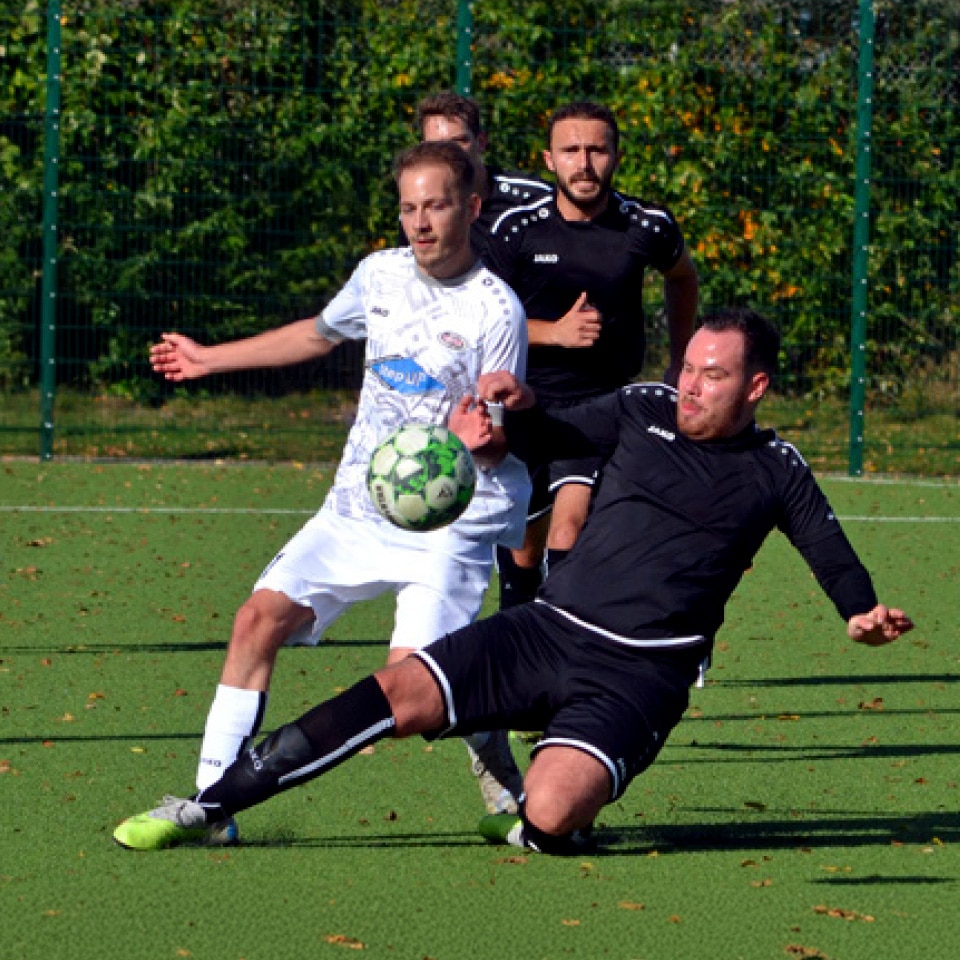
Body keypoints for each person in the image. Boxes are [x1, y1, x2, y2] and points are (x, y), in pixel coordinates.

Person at [114, 307, 913, 855]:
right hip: (545, 631)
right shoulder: (643, 408)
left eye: (712, 375)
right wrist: (501, 419)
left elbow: (829, 549)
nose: (692, 385)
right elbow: (554, 426)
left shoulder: (775, 469)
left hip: (640, 674)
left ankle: (541, 817)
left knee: (554, 815)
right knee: (394, 693)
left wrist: (859, 610)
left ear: (756, 387)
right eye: (689, 368)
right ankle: (206, 806)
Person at [143, 140, 533, 840]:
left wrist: (480, 436)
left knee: (412, 695)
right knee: (256, 618)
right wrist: (209, 359)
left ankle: (486, 729)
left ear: (471, 208)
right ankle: (211, 804)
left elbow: (496, 432)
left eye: (436, 205)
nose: (420, 222)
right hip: (356, 507)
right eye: (408, 207)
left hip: (450, 519)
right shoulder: (378, 274)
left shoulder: (494, 310)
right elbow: (319, 335)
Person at [482, 100, 700, 609]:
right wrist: (553, 333)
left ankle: (566, 640)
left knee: (569, 526)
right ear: (549, 159)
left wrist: (679, 359)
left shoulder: (647, 226)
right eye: (571, 150)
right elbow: (483, 322)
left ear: (616, 155)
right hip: (526, 404)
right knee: (523, 547)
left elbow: (682, 276)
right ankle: (520, 630)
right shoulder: (517, 230)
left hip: (603, 406)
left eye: (597, 149)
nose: (584, 163)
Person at [412, 91, 552, 256]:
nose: (448, 154)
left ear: (481, 142)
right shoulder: (416, 212)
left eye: (458, 142)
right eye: (436, 146)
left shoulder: (534, 199)